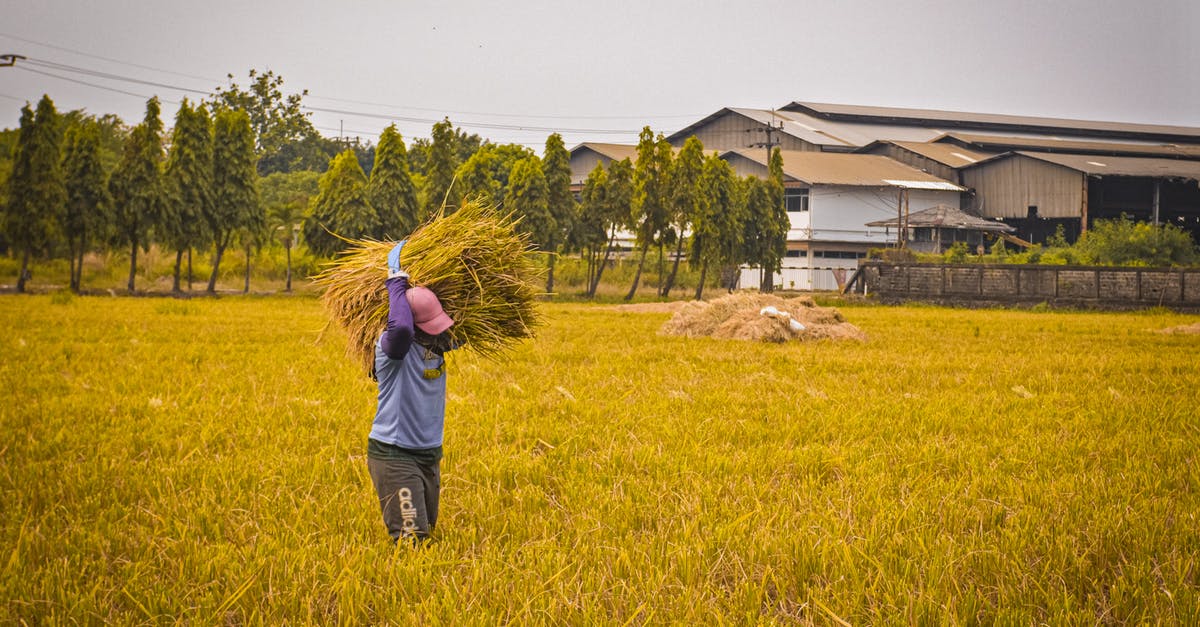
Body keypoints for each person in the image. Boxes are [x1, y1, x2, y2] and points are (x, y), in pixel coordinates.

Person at [366, 241, 456, 544]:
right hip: (395, 454)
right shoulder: (392, 352)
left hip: (429, 455)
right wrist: (395, 283)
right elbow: (402, 329)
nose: (438, 330)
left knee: (428, 537)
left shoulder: (438, 344)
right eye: (429, 324)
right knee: (411, 540)